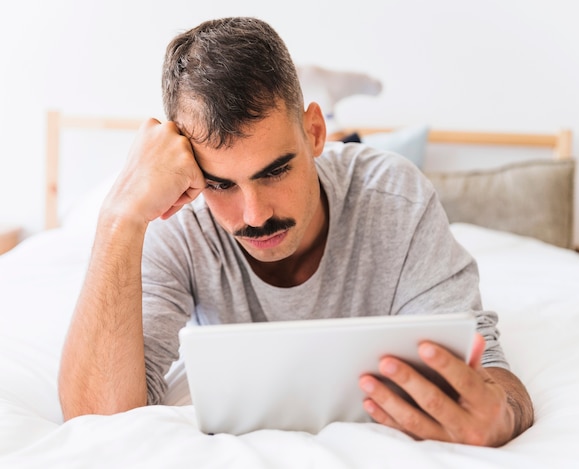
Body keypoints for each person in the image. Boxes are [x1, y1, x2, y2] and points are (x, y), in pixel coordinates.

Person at [58, 16, 533, 447]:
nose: (255, 214)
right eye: (221, 183)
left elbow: (491, 372)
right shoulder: (177, 217)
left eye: (275, 170)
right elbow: (95, 420)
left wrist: (504, 417)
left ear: (315, 132)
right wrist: (119, 216)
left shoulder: (396, 195)